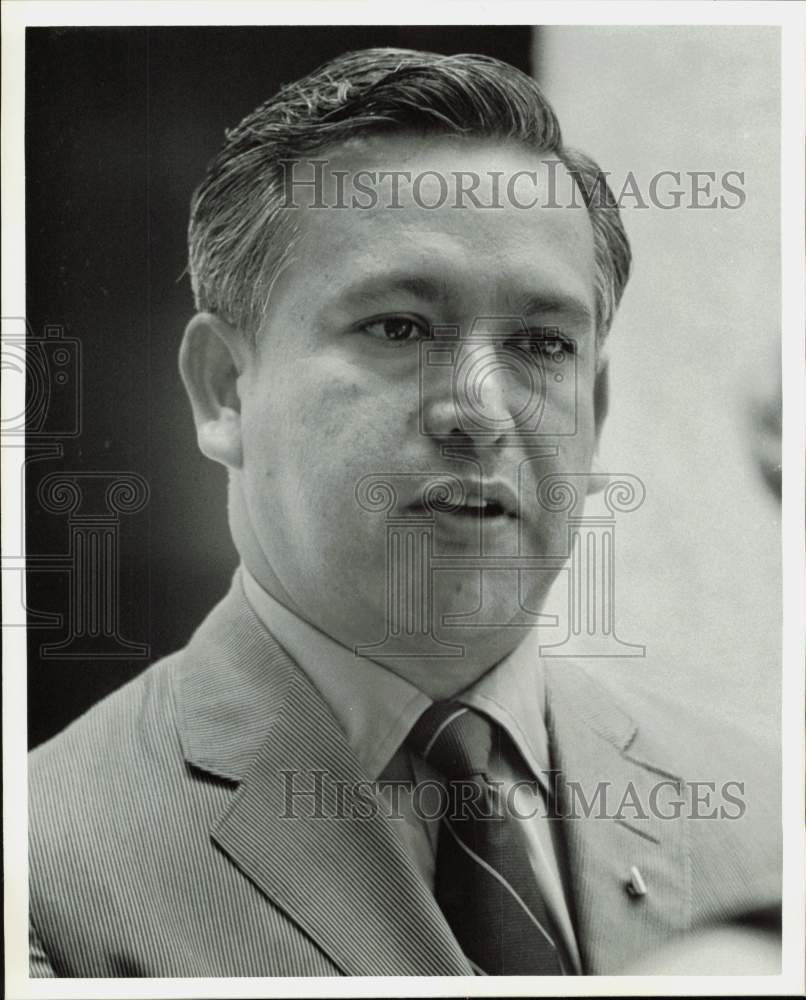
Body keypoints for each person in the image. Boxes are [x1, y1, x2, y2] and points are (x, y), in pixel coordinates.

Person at [29, 48, 780, 978]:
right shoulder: (40, 877)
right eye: (399, 328)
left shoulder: (768, 815)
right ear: (225, 390)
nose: (480, 409)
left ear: (600, 408)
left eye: (543, 343)